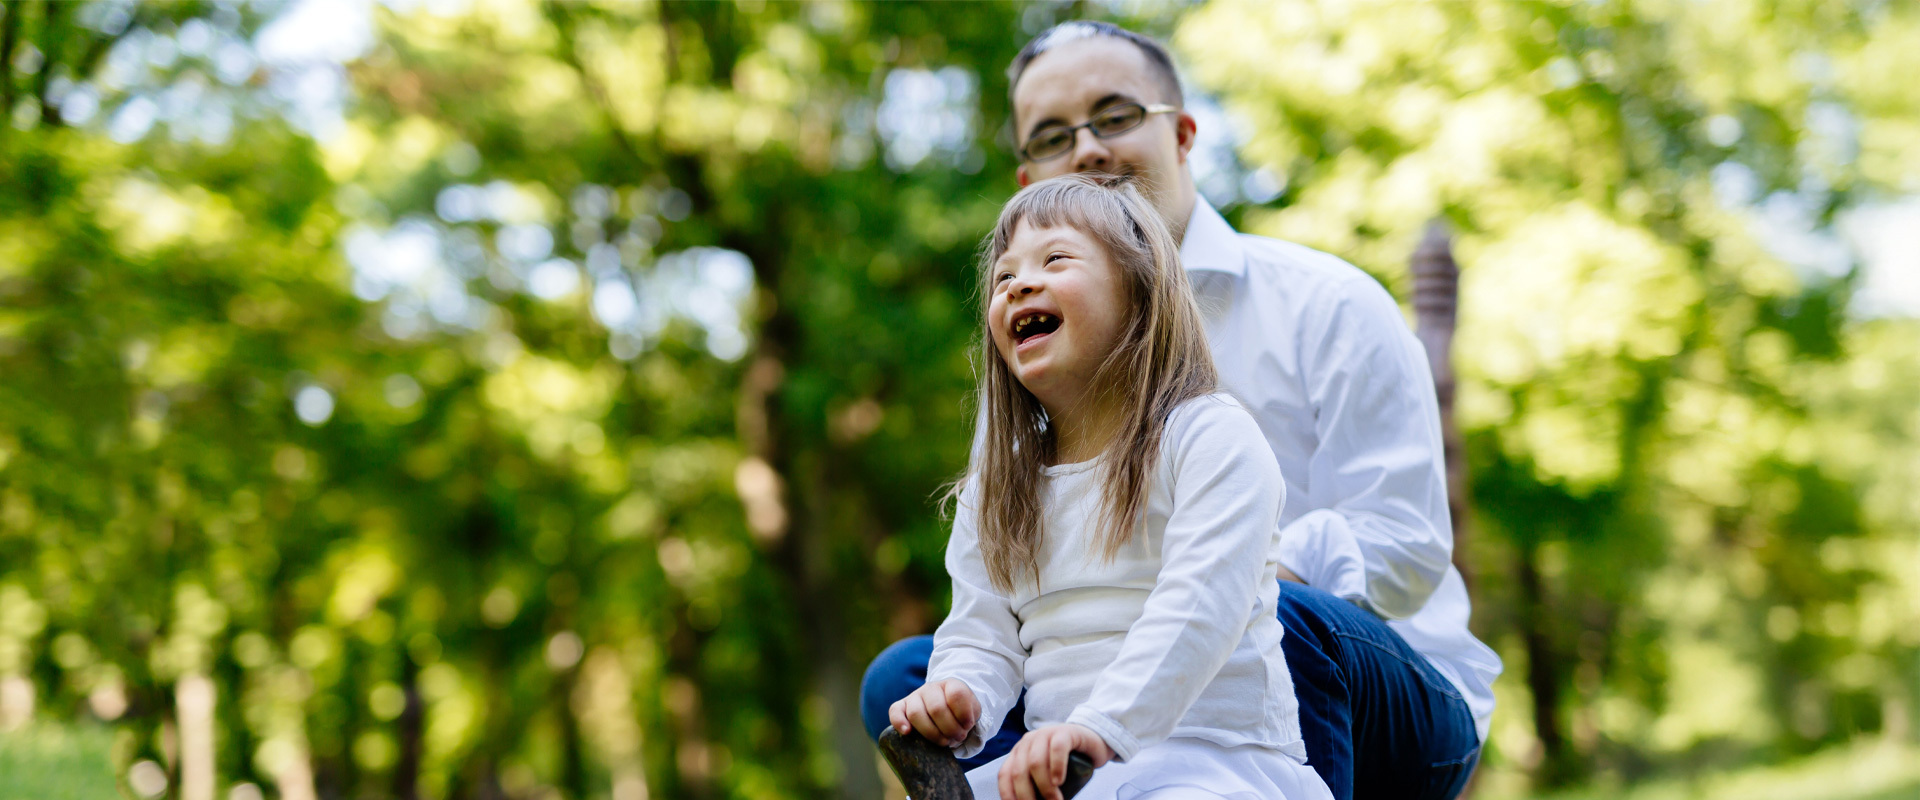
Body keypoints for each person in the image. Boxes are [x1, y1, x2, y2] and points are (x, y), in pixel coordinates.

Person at [862, 20, 1503, 800]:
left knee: (1271, 610)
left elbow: (1406, 547)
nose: (1090, 149)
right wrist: (968, 684)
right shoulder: (1035, 371)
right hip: (1119, 678)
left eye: (1117, 115)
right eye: (1055, 135)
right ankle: (1059, 775)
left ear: (1185, 133)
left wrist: (1239, 557)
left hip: (1367, 691)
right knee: (907, 680)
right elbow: (998, 595)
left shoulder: (1325, 303)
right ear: (1030, 181)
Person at [890, 172, 1332, 800]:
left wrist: (1099, 727)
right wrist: (960, 692)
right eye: (1004, 276)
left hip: (1212, 760)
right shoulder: (999, 486)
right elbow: (980, 634)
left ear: (1139, 289)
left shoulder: (1209, 437)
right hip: (1065, 769)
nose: (1020, 283)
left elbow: (1200, 605)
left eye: (1055, 258)